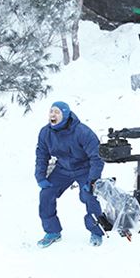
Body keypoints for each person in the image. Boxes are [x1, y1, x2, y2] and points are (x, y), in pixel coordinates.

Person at [35, 101, 106, 247]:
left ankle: (96, 231)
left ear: (65, 115)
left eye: (57, 112)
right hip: (62, 169)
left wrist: (92, 181)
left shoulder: (82, 132)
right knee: (46, 194)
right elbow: (41, 155)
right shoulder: (45, 132)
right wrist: (40, 176)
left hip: (84, 169)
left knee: (89, 196)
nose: (53, 115)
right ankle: (53, 232)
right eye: (51, 111)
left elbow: (97, 157)